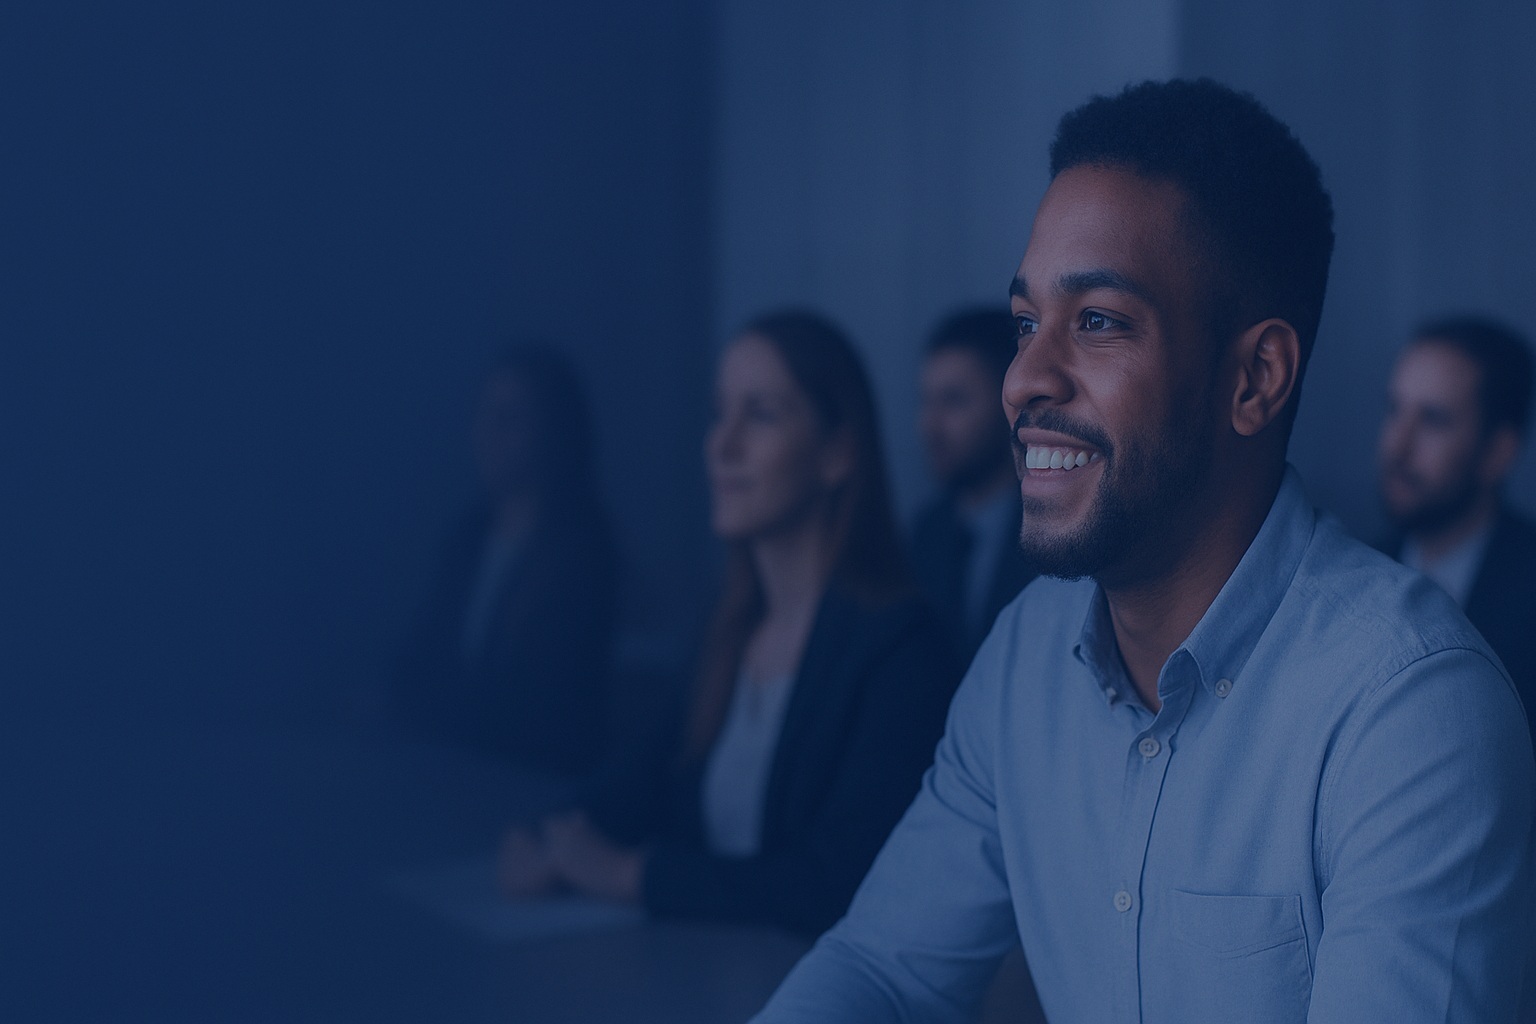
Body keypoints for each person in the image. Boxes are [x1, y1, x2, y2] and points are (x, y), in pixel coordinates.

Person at [754, 79, 1535, 1023]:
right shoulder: (1025, 656)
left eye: (1097, 322)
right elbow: (883, 972)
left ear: (1254, 379)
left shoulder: (1410, 712)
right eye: (1025, 323)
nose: (1023, 380)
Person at [498, 310, 959, 936]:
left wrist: (634, 875)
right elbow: (629, 790)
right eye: (720, 413)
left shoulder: (901, 649)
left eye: (761, 414)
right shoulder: (732, 633)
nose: (722, 445)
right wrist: (546, 837)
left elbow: (843, 880)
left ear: (837, 453)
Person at [392, 346, 619, 777]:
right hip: (446, 766)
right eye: (484, 414)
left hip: (529, 778)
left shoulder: (582, 553)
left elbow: (546, 700)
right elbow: (423, 653)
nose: (488, 432)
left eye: (510, 418)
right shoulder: (466, 540)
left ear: (552, 429)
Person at [1379, 316, 1536, 750]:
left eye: (1433, 420)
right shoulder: (1353, 571)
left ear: (1498, 452)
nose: (1397, 445)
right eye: (1395, 409)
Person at [910, 308, 1038, 658]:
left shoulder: (1051, 525)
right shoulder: (925, 534)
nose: (930, 427)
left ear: (1009, 403)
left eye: (954, 401)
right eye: (927, 402)